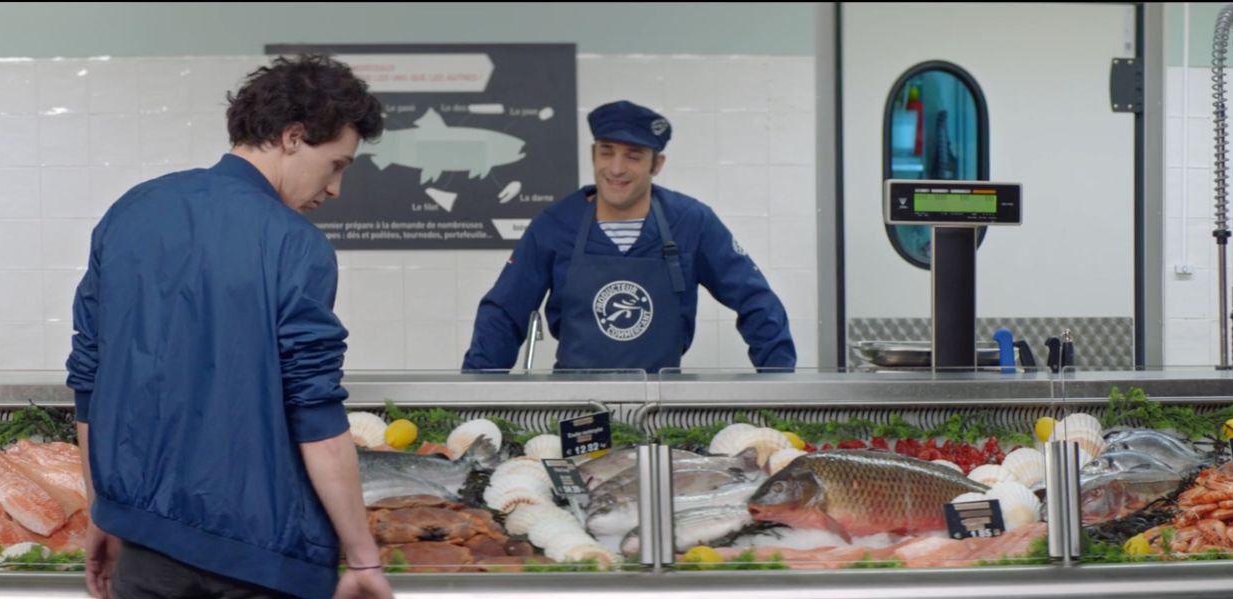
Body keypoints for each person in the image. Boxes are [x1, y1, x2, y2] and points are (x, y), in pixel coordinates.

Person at [65, 54, 392, 599]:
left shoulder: (131, 212)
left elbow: (89, 385)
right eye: (337, 164)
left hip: (145, 550)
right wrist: (362, 558)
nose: (334, 188)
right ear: (292, 136)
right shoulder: (296, 243)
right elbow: (314, 413)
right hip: (262, 560)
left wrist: (108, 510)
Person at [462, 100, 796, 373]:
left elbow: (756, 301)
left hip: (663, 406)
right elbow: (503, 315)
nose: (617, 168)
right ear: (594, 156)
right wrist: (475, 400)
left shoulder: (692, 222)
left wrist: (778, 386)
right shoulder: (554, 225)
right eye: (607, 152)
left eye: (633, 156)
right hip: (575, 409)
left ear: (657, 164)